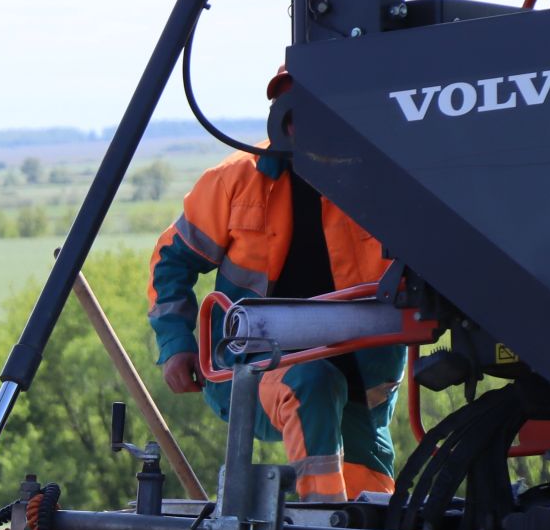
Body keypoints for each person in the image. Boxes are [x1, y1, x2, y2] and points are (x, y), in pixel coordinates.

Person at [149, 66, 405, 502]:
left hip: (365, 378)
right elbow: (171, 262)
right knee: (312, 384)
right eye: (288, 106)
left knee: (375, 503)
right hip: (250, 368)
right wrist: (176, 343)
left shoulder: (385, 185)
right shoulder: (234, 181)